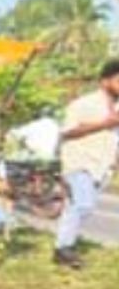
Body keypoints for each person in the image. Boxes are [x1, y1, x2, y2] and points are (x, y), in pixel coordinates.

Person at [55, 58, 119, 269]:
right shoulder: (83, 104)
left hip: (102, 167)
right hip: (79, 163)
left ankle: (64, 246)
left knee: (80, 207)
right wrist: (103, 124)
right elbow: (67, 132)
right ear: (105, 81)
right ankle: (63, 249)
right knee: (82, 204)